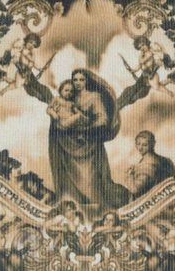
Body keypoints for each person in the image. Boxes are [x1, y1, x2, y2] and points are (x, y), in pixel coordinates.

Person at [48, 68, 130, 210]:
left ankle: (96, 206)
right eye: (75, 80)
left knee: (90, 179)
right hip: (67, 144)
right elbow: (57, 112)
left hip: (88, 144)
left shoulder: (94, 97)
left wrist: (87, 129)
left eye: (81, 79)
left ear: (87, 81)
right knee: (69, 177)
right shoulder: (70, 97)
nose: (78, 83)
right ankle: (71, 205)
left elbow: (103, 118)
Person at [126, 130, 175, 197]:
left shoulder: (147, 165)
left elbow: (134, 189)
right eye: (138, 144)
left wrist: (130, 175)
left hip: (152, 201)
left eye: (145, 145)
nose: (140, 148)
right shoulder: (166, 160)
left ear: (152, 144)